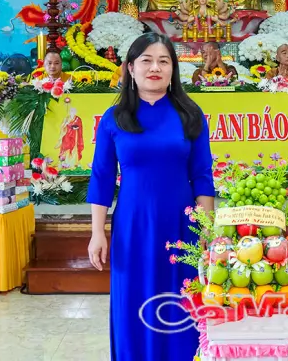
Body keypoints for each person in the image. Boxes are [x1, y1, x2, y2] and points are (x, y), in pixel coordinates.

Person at [87, 32, 215, 360]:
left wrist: (206, 229)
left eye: (163, 61)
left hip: (181, 227)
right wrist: (97, 233)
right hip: (132, 228)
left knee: (181, 304)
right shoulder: (114, 119)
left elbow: (202, 176)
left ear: (173, 69)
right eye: (146, 60)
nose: (155, 68)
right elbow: (102, 178)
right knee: (133, 302)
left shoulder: (190, 115)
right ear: (130, 68)